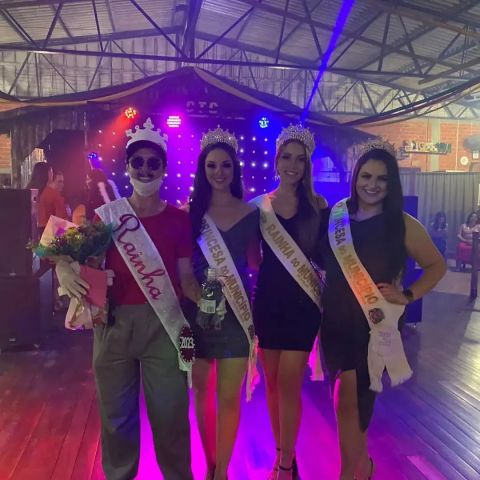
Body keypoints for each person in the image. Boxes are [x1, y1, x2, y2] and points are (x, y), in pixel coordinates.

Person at [55, 118, 199, 480]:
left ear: (164, 168)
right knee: (116, 418)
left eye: (153, 162)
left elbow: (186, 278)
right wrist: (63, 267)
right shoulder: (107, 216)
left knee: (170, 416)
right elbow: (66, 250)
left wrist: (213, 301)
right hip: (113, 325)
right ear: (128, 166)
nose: (145, 169)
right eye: (138, 162)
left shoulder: (178, 220)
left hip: (164, 327)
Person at [318, 140, 446, 480]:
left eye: (382, 178)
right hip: (334, 325)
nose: (372, 185)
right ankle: (362, 467)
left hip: (372, 328)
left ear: (392, 184)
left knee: (353, 401)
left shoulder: (402, 224)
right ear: (355, 177)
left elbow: (436, 265)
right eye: (366, 176)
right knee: (344, 404)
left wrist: (408, 295)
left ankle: (350, 472)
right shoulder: (336, 217)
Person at [252, 124, 327, 480]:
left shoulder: (318, 206)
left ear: (307, 165)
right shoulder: (260, 207)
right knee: (271, 382)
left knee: (289, 381)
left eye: (300, 159)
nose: (292, 165)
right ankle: (285, 454)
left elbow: (327, 256)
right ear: (276, 161)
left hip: (302, 306)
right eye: (286, 157)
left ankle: (284, 466)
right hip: (268, 302)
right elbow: (253, 258)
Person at [184, 128, 259, 480]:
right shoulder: (189, 213)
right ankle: (210, 462)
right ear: (203, 169)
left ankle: (222, 472)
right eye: (211, 165)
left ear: (234, 169)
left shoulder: (252, 213)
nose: (219, 172)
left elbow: (256, 261)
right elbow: (181, 265)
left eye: (225, 165)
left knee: (229, 398)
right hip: (198, 313)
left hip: (236, 315)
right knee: (202, 394)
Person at [27, 162, 67, 236]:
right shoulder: (53, 194)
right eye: (51, 172)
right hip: (48, 235)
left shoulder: (27, 192)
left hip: (28, 234)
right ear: (48, 174)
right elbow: (62, 222)